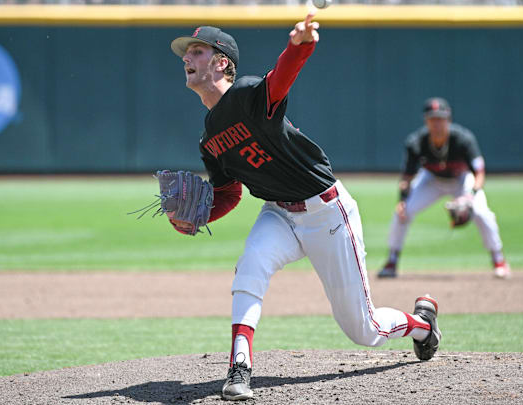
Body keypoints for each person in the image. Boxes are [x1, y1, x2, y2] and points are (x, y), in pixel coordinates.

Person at [170, 13, 442, 401]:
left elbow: (282, 77)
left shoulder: (248, 95)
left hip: (327, 213)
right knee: (250, 264)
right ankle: (239, 368)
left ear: (221, 62)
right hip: (278, 214)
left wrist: (301, 44)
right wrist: (196, 216)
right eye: (186, 52)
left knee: (364, 330)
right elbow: (229, 194)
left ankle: (422, 324)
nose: (186, 57)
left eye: (196, 50)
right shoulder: (209, 138)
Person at [377, 97, 511, 279]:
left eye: (441, 118)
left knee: (482, 213)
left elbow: (479, 173)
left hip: (461, 179)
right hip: (431, 180)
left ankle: (499, 260)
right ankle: (392, 261)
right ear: (426, 121)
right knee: (403, 212)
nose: (437, 123)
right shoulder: (416, 142)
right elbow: (407, 177)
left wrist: (470, 196)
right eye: (433, 119)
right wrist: (401, 200)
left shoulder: (463, 139)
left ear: (449, 119)